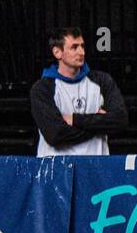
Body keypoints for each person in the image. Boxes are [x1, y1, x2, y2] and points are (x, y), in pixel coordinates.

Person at [31, 26, 128, 155]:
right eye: (74, 47)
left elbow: (120, 120)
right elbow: (55, 135)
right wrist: (99, 123)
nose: (81, 52)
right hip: (57, 169)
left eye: (82, 46)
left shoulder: (102, 81)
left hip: (96, 168)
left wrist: (75, 120)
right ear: (57, 52)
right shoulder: (42, 88)